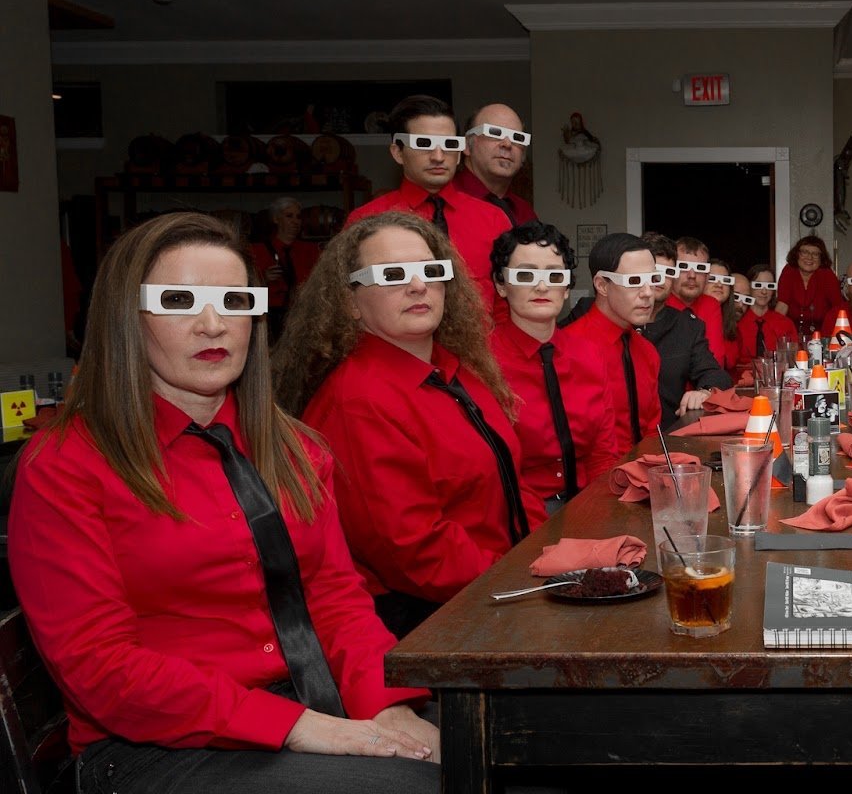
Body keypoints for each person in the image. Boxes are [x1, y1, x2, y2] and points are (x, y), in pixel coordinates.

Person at [9, 212, 440, 794]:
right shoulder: (65, 465)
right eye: (179, 299)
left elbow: (336, 598)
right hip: (154, 748)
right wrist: (297, 726)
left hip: (312, 702)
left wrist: (387, 707)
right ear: (126, 320)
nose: (213, 324)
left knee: (500, 747)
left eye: (235, 299)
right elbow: (100, 667)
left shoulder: (297, 449)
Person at [273, 211, 529, 637]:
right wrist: (520, 581)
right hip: (426, 620)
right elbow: (415, 552)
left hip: (493, 588)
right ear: (350, 302)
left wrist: (542, 557)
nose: (418, 285)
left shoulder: (456, 370)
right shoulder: (358, 401)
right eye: (392, 274)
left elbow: (510, 480)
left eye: (431, 271)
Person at [488, 221, 619, 520]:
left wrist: (601, 511)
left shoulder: (588, 354)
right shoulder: (483, 361)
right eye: (526, 275)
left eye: (554, 275)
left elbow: (603, 452)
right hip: (514, 512)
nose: (542, 286)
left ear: (567, 286)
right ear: (500, 285)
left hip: (588, 501)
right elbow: (490, 468)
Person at [345, 95, 512, 314]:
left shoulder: (494, 219)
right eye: (424, 144)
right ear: (398, 152)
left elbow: (508, 304)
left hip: (480, 346)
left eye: (449, 145)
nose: (438, 156)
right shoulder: (366, 221)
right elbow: (351, 302)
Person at [562, 232, 664, 451]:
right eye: (634, 281)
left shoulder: (647, 351)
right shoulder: (568, 349)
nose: (648, 293)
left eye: (653, 280)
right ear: (602, 285)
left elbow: (651, 432)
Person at [642, 240, 733, 419]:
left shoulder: (689, 325)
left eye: (667, 272)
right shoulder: (607, 314)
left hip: (674, 422)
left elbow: (713, 369)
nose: (692, 275)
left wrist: (705, 391)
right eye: (684, 267)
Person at [456, 102, 538, 227]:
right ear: (467, 145)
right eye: (494, 133)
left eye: (517, 137)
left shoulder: (524, 212)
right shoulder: (443, 202)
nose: (507, 144)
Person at [251, 196, 320, 341]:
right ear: (276, 219)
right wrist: (264, 278)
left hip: (301, 314)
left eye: (298, 217)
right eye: (289, 216)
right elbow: (247, 286)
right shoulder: (258, 250)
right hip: (270, 316)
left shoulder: (311, 250)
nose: (295, 221)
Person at [667, 236, 727, 371]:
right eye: (683, 267)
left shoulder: (711, 305)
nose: (692, 275)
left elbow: (716, 362)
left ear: (707, 275)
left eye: (700, 268)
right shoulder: (658, 303)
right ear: (671, 271)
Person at [775, 236, 845, 336]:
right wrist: (773, 329)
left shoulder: (827, 275)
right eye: (805, 252)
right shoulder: (789, 271)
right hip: (792, 334)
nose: (809, 257)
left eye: (815, 254)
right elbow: (782, 305)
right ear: (797, 254)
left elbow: (838, 309)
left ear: (821, 258)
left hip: (823, 335)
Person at [735, 263, 799, 368]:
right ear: (749, 287)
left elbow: (794, 361)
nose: (764, 291)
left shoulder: (786, 323)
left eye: (769, 286)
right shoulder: (737, 321)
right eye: (758, 285)